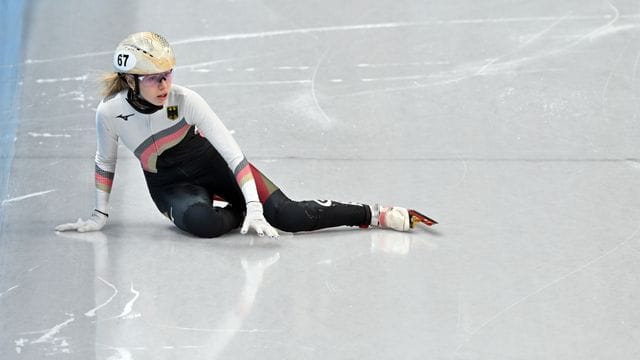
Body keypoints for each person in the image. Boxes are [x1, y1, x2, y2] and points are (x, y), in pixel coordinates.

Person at [55, 32, 436, 239]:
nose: (165, 84)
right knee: (203, 224)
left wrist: (256, 205)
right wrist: (99, 215)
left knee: (286, 215)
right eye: (155, 78)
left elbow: (233, 154)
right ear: (131, 80)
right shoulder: (110, 114)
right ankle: (233, 213)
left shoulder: (186, 100)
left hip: (212, 165)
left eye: (169, 74)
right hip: (171, 187)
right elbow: (104, 161)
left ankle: (375, 214)